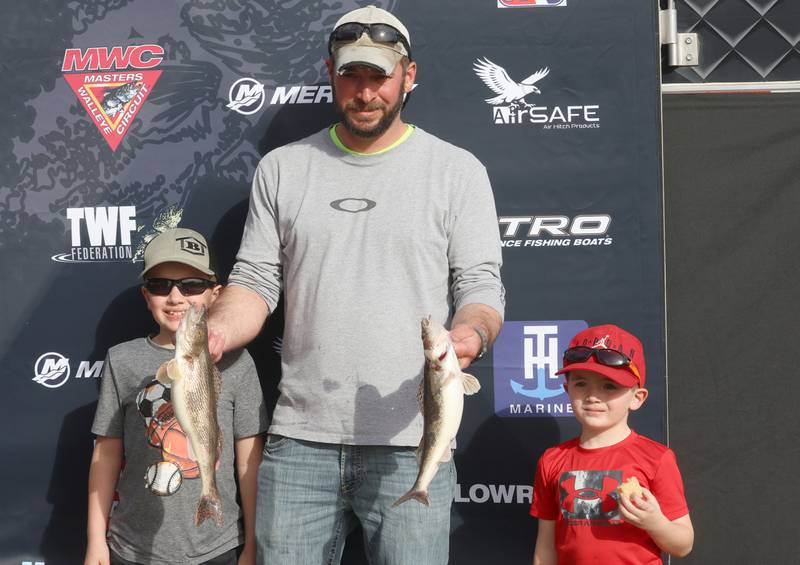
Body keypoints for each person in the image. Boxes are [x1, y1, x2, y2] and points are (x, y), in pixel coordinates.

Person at [206, 5, 505, 564]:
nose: (365, 93)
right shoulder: (282, 168)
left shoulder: (456, 170)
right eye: (352, 76)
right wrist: (215, 334)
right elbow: (254, 280)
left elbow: (481, 286)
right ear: (331, 73)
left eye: (379, 77)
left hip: (413, 444)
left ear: (408, 76)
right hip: (299, 442)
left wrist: (470, 335)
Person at [85, 228, 267, 565]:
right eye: (160, 285)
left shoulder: (239, 363)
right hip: (132, 548)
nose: (175, 297)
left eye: (191, 286)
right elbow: (106, 453)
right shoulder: (122, 359)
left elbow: (249, 462)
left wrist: (252, 545)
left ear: (216, 294)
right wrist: (96, 541)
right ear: (146, 296)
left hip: (218, 546)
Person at [530, 324, 694, 564]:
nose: (593, 396)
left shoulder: (656, 458)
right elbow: (545, 548)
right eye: (581, 383)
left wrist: (655, 522)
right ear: (567, 389)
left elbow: (683, 544)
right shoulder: (552, 460)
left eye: (609, 386)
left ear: (637, 398)